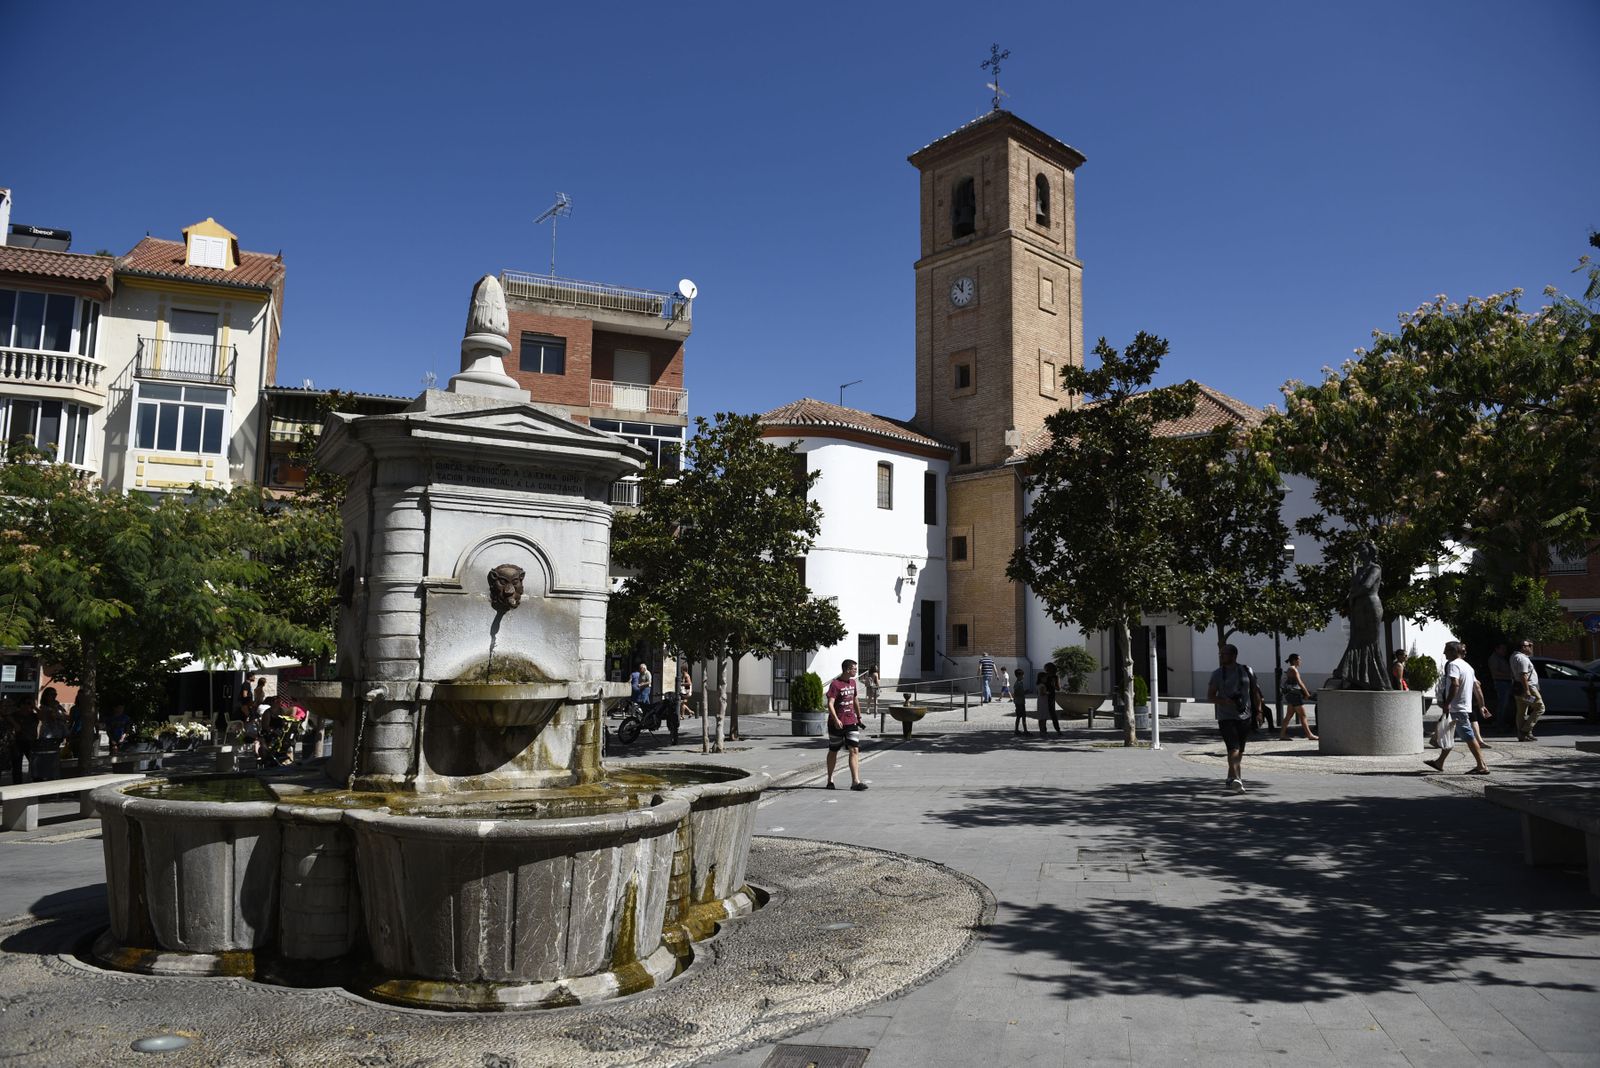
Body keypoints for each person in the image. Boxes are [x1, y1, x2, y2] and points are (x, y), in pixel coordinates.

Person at [1426, 641, 1490, 774]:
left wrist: (1447, 702)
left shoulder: (1453, 665)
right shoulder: (1468, 667)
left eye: (1446, 650)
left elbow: (1455, 684)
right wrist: (1482, 705)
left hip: (1457, 708)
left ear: (1454, 651)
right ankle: (1439, 762)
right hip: (1462, 707)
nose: (1444, 653)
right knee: (1449, 735)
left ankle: (1482, 766)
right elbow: (1477, 687)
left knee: (1469, 737)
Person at [1207, 644, 1262, 793]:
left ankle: (1231, 778)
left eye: (1224, 654)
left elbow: (1255, 692)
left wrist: (1259, 711)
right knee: (1233, 748)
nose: (1221, 656)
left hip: (1245, 715)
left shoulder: (1246, 670)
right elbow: (1210, 696)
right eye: (1221, 654)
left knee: (1240, 750)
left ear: (1233, 655)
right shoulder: (1217, 674)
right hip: (1226, 717)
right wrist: (1225, 701)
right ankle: (1238, 778)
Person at [824, 658, 867, 791]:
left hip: (851, 721)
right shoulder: (835, 684)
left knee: (854, 749)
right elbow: (830, 703)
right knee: (834, 750)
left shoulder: (853, 683)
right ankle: (830, 779)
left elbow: (855, 700)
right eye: (854, 668)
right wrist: (836, 719)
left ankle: (855, 782)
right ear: (848, 669)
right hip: (837, 723)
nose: (856, 670)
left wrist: (859, 717)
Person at [1277, 653, 1318, 741]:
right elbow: (1300, 683)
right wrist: (1307, 694)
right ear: (1294, 660)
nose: (1300, 661)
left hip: (1291, 695)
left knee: (1289, 715)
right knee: (1303, 715)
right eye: (1299, 659)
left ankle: (1282, 735)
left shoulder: (1290, 669)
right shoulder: (1293, 669)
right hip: (1294, 695)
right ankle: (1309, 735)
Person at [1510, 638, 1545, 742]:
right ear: (1523, 647)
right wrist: (1527, 691)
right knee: (1540, 707)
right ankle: (1525, 731)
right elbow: (1523, 675)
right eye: (1529, 646)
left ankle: (1523, 735)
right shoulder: (1522, 658)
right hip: (1527, 687)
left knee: (1522, 711)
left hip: (1518, 687)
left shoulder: (1514, 656)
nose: (1531, 648)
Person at [33, 687, 69, 782]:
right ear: (46, 696)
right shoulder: (43, 707)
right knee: (47, 755)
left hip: (58, 734)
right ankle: (46, 775)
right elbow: (44, 717)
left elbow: (66, 716)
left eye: (55, 694)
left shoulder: (58, 706)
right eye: (52, 694)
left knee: (55, 756)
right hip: (48, 735)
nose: (54, 696)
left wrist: (57, 710)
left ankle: (53, 775)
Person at [1488, 641, 1515, 731]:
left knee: (1506, 704)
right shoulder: (1494, 658)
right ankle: (1500, 724)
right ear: (1497, 649)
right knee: (1502, 704)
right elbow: (1495, 673)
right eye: (1502, 649)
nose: (1504, 651)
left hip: (1506, 682)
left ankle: (1504, 722)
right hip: (1501, 683)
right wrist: (1510, 675)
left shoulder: (1501, 658)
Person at [1013, 666, 1030, 735]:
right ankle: (1025, 731)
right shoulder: (1018, 683)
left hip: (1019, 702)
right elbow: (1017, 692)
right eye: (1022, 675)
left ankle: (1017, 730)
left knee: (1019, 717)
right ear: (1019, 676)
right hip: (1020, 702)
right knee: (1023, 716)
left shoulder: (1018, 682)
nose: (1023, 676)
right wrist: (1025, 692)